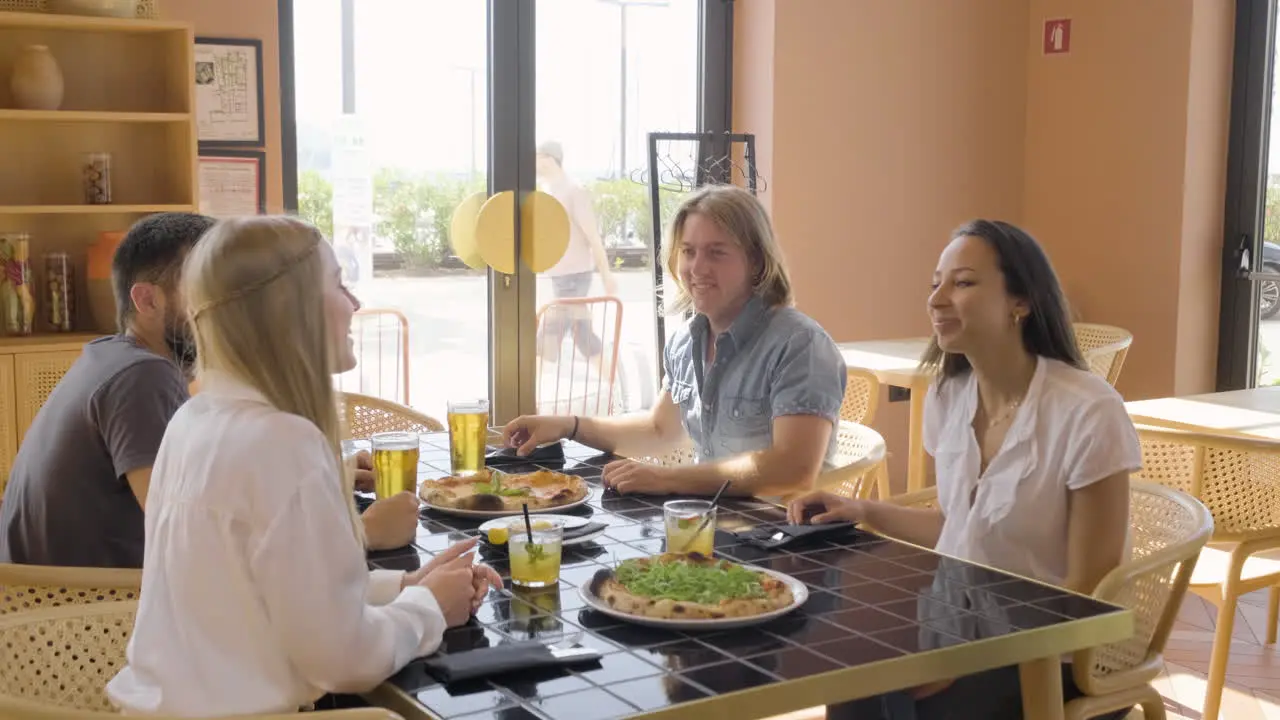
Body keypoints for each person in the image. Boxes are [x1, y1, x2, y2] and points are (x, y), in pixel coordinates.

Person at [107, 216, 499, 716]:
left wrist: (402, 586)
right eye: (339, 284)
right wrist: (430, 609)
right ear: (292, 310)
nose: (355, 304)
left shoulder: (194, 420)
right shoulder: (280, 443)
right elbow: (343, 661)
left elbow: (257, 595)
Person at [787, 220, 1139, 720]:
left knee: (919, 707)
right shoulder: (950, 397)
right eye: (936, 283)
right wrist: (862, 509)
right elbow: (959, 524)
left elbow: (1087, 590)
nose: (937, 298)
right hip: (957, 628)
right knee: (851, 683)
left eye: (963, 282)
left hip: (1059, 654)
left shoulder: (1088, 411)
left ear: (1021, 301)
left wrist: (968, 658)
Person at [0, 213, 419, 569]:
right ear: (147, 301)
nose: (224, 307)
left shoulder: (114, 358)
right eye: (203, 290)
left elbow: (212, 501)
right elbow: (187, 540)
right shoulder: (141, 377)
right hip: (88, 621)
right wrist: (363, 533)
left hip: (52, 609)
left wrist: (324, 479)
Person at [504, 184, 846, 499]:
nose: (697, 268)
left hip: (781, 538)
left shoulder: (801, 345)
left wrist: (667, 478)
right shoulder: (686, 341)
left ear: (756, 261)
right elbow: (658, 429)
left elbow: (793, 470)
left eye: (716, 252)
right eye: (688, 251)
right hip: (707, 526)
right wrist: (567, 425)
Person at [535, 140, 618, 365]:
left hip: (574, 276)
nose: (533, 162)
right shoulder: (546, 190)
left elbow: (593, 237)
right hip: (560, 275)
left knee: (549, 338)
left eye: (537, 157)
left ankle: (529, 394)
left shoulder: (574, 190)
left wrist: (606, 275)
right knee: (581, 336)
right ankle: (614, 386)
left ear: (550, 159)